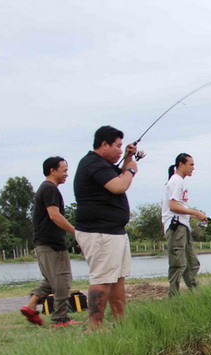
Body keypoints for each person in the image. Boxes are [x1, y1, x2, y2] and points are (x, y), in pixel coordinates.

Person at [73, 125, 139, 329]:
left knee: (117, 278)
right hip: (99, 232)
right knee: (102, 278)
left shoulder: (102, 165)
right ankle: (94, 328)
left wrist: (127, 158)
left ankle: (120, 323)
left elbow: (116, 178)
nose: (120, 150)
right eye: (118, 146)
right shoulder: (93, 163)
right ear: (104, 144)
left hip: (113, 231)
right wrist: (130, 169)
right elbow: (119, 185)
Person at [20, 157, 78, 327]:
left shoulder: (45, 189)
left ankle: (30, 306)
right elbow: (54, 215)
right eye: (64, 170)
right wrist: (76, 232)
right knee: (63, 280)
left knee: (51, 280)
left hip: (42, 243)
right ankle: (60, 319)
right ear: (53, 170)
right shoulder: (50, 189)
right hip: (52, 244)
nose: (67, 174)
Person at [161, 153, 207, 297]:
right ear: (181, 164)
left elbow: (179, 207)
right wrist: (196, 212)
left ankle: (196, 294)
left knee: (192, 262)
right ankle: (173, 297)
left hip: (183, 226)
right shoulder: (176, 181)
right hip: (176, 227)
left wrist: (194, 215)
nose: (193, 168)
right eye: (191, 164)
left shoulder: (180, 181)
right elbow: (173, 206)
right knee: (178, 263)